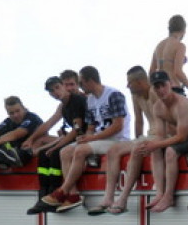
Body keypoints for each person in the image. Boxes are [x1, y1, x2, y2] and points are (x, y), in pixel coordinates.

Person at [47, 66, 130, 212]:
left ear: (90, 81)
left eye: (81, 83)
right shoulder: (90, 100)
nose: (80, 87)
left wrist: (92, 138)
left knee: (80, 150)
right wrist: (85, 137)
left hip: (116, 140)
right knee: (65, 151)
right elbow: (91, 126)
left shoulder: (113, 95)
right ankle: (73, 194)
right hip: (98, 139)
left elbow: (118, 126)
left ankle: (62, 190)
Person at [135, 70, 188, 215]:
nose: (161, 90)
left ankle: (169, 196)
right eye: (157, 87)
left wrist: (155, 144)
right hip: (187, 137)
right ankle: (159, 193)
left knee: (170, 151)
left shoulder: (181, 103)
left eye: (163, 85)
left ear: (170, 84)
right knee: (155, 149)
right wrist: (147, 146)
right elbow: (160, 136)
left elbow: (181, 136)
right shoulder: (158, 107)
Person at [25, 76, 88, 215]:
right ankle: (44, 194)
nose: (55, 92)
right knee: (43, 154)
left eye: (57, 88)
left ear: (63, 86)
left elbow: (77, 129)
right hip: (75, 138)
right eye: (51, 91)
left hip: (85, 137)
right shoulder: (64, 107)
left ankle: (58, 194)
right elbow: (49, 123)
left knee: (55, 153)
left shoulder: (76, 100)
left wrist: (55, 146)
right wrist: (32, 139)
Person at [99, 66, 158, 215]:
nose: (127, 86)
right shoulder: (136, 96)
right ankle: (108, 197)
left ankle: (123, 199)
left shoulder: (155, 93)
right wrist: (137, 139)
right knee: (113, 150)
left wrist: (139, 143)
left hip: (163, 135)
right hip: (148, 135)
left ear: (139, 82)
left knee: (137, 150)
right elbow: (139, 120)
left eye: (129, 83)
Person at [150, 14, 188, 103]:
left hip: (159, 92)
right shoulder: (180, 46)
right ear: (183, 30)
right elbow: (178, 72)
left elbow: (151, 72)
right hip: (173, 89)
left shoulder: (159, 46)